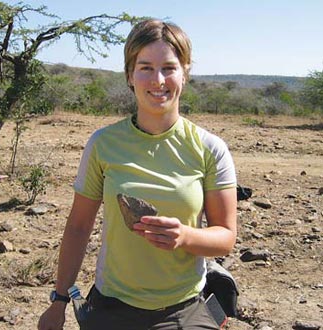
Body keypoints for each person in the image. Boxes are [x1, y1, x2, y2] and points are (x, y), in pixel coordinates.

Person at [38, 18, 237, 330]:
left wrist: (184, 236)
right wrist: (59, 301)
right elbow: (78, 227)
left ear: (185, 73)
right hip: (112, 305)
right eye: (145, 67)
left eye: (169, 67)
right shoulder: (103, 144)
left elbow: (225, 236)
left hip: (183, 308)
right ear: (130, 75)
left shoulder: (210, 149)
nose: (158, 80)